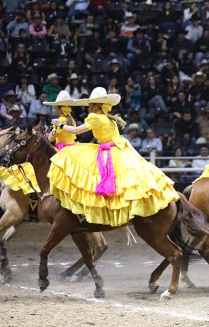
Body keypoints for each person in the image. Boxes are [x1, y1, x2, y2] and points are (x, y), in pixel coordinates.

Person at [48, 87, 179, 227]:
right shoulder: (107, 117)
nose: (88, 108)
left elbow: (76, 131)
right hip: (120, 148)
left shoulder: (95, 117)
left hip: (110, 150)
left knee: (94, 176)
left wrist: (59, 124)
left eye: (89, 105)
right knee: (128, 179)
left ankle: (100, 211)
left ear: (94, 105)